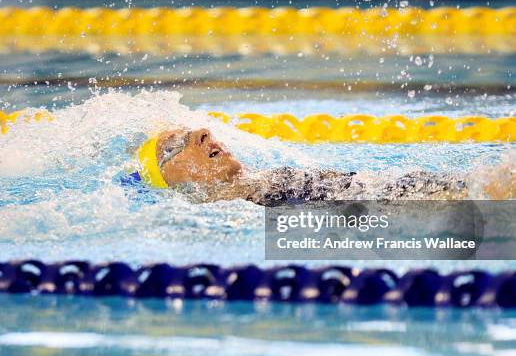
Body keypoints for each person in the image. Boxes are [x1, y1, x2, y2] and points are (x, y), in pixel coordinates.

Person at [133, 127, 514, 206]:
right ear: (170, 178)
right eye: (177, 145)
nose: (202, 132)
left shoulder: (264, 185)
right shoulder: (232, 211)